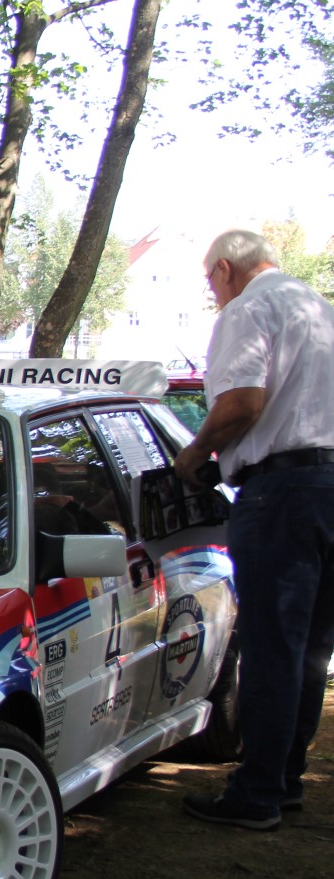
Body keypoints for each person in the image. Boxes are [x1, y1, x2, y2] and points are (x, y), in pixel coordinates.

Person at [174, 229, 334, 830]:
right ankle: (284, 779)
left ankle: (258, 793)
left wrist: (196, 455)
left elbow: (242, 403)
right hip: (327, 489)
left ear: (223, 269)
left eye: (209, 283)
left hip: (283, 494)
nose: (212, 295)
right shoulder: (319, 309)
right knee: (311, 650)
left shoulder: (249, 309)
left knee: (270, 649)